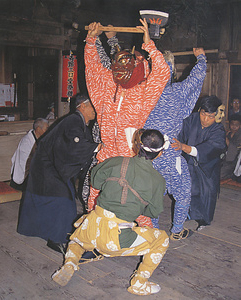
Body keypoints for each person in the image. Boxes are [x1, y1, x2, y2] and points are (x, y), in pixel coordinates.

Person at [52, 129, 169, 296]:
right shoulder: (157, 180)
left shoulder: (115, 162)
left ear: (137, 146)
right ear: (159, 154)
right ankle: (139, 283)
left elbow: (95, 181)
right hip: (117, 239)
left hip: (93, 225)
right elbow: (153, 211)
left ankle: (70, 263)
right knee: (162, 239)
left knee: (77, 240)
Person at [84, 19, 170, 227]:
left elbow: (162, 73)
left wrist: (149, 44)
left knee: (132, 200)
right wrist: (90, 40)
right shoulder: (107, 83)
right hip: (107, 153)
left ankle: (148, 235)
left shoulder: (143, 92)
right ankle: (93, 233)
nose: (120, 72)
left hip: (130, 156)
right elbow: (93, 67)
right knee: (95, 197)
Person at [17, 94, 99, 250]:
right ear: (82, 106)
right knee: (64, 201)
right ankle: (56, 238)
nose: (95, 110)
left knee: (52, 198)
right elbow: (76, 145)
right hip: (48, 166)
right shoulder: (74, 120)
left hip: (52, 166)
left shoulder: (81, 123)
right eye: (92, 106)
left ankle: (41, 230)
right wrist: (96, 147)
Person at [143, 48, 207, 240]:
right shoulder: (176, 92)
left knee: (150, 194)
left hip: (146, 154)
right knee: (183, 190)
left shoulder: (142, 92)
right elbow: (197, 77)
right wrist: (201, 58)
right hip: (169, 153)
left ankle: (153, 230)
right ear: (171, 70)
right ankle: (177, 230)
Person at [172, 95, 226, 231]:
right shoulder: (192, 119)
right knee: (190, 190)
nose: (205, 120)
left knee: (206, 192)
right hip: (189, 163)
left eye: (211, 117)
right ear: (200, 110)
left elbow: (213, 146)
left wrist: (184, 147)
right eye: (203, 114)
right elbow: (179, 134)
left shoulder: (218, 129)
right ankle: (190, 214)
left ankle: (204, 220)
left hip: (208, 167)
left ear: (217, 116)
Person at [10, 118, 49, 191]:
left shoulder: (39, 138)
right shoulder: (27, 142)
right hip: (24, 176)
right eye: (46, 129)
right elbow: (23, 163)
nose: (48, 131)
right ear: (38, 129)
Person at [220, 114, 241, 180]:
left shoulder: (239, 136)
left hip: (233, 161)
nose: (234, 127)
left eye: (236, 125)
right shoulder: (229, 133)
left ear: (240, 126)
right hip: (223, 158)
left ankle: (231, 175)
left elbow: (234, 150)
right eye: (232, 124)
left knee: (220, 174)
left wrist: (226, 138)